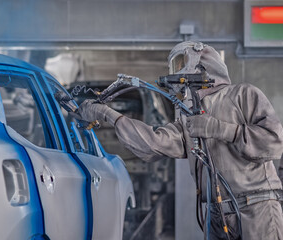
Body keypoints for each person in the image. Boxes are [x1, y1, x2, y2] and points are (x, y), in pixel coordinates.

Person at [72, 41, 283, 240]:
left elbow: (273, 143)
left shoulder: (242, 95)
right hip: (217, 215)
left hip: (257, 208)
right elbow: (153, 143)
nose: (178, 72)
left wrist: (220, 129)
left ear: (204, 64)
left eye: (181, 63)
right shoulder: (187, 117)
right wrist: (108, 114)